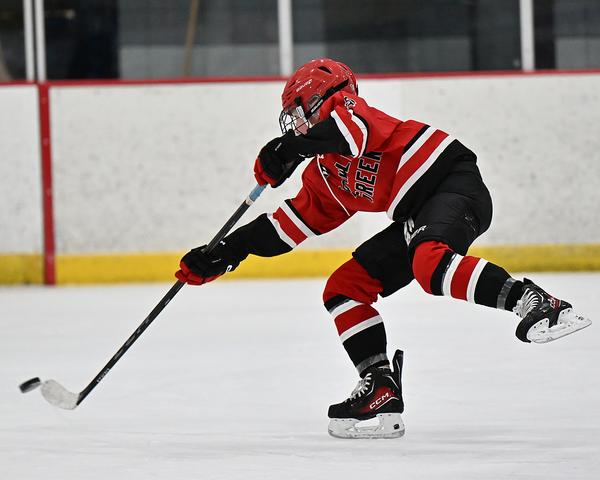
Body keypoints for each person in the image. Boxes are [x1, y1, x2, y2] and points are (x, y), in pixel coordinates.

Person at [175, 58, 592, 439]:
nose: (297, 126)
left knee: (429, 264)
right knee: (344, 288)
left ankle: (535, 301)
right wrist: (227, 251)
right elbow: (287, 226)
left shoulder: (353, 112)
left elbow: (346, 134)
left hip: (452, 182)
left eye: (301, 113)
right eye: (293, 120)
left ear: (327, 97)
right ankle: (380, 384)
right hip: (415, 215)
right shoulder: (326, 175)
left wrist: (291, 148)